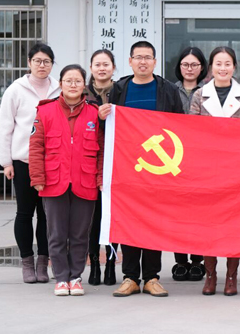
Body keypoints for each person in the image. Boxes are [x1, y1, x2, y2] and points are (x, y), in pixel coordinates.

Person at [99, 41, 184, 298]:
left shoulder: (168, 90)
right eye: (138, 57)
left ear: (155, 62)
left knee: (154, 221)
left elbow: (181, 126)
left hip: (159, 168)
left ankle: (152, 277)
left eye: (148, 57)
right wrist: (102, 117)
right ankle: (130, 277)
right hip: (127, 165)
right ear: (130, 61)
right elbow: (109, 129)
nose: (143, 62)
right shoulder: (119, 89)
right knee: (129, 220)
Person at [29, 64, 104, 296]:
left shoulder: (94, 113)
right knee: (57, 233)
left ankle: (76, 277)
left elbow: (102, 150)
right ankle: (61, 278)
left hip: (85, 180)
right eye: (68, 80)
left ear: (84, 85)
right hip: (54, 181)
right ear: (60, 84)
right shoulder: (45, 111)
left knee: (80, 234)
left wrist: (100, 177)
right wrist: (37, 177)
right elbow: (36, 147)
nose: (73, 85)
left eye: (77, 81)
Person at [190, 46, 240, 296]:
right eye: (218, 63)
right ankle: (210, 275)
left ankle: (231, 276)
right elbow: (191, 131)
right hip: (207, 169)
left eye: (227, 63)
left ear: (234, 67)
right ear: (211, 67)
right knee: (208, 223)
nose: (223, 68)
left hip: (236, 169)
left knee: (233, 224)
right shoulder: (199, 95)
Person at [0, 42, 61, 284]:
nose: (42, 65)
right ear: (29, 63)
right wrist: (6, 162)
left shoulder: (59, 88)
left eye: (47, 61)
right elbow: (4, 127)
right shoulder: (15, 90)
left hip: (51, 161)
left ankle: (43, 263)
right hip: (23, 160)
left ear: (52, 64)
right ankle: (26, 263)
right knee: (24, 213)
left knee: (46, 215)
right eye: (37, 61)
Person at [171, 46, 208, 282]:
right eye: (185, 64)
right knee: (177, 213)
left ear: (202, 67)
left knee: (200, 213)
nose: (190, 68)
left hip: (201, 159)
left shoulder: (209, 91)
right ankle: (180, 261)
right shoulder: (169, 89)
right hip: (175, 158)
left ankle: (197, 260)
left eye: (194, 64)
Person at [84, 49, 119, 286]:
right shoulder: (83, 93)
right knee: (93, 216)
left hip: (117, 159)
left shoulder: (121, 91)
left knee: (113, 214)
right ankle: (94, 264)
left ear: (113, 68)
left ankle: (111, 264)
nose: (102, 68)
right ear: (91, 68)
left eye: (106, 64)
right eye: (97, 64)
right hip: (89, 160)